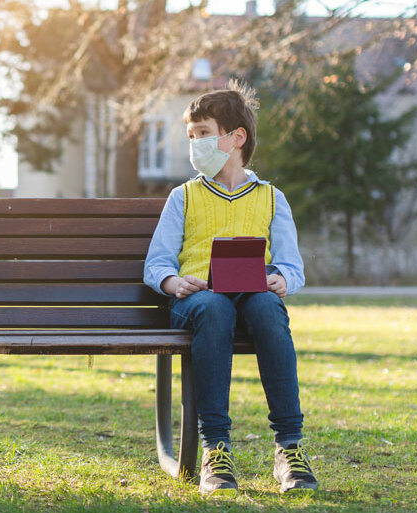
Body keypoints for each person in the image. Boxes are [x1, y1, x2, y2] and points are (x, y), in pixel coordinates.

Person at [143, 82, 318, 496]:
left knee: (268, 307)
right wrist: (173, 281)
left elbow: (293, 266)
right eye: (191, 136)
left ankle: (289, 447)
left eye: (203, 133)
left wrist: (283, 280)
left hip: (251, 296)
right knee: (215, 308)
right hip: (197, 302)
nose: (195, 144)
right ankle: (215, 448)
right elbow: (158, 262)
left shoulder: (272, 198)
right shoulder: (182, 197)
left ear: (236, 137)